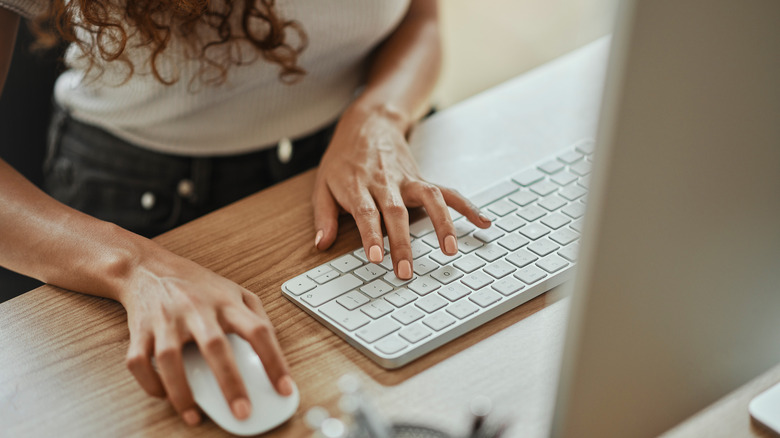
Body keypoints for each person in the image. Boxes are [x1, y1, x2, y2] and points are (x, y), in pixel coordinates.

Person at [0, 0, 490, 427]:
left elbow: (421, 17)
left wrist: (379, 116)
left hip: (355, 155)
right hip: (139, 204)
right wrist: (135, 267)